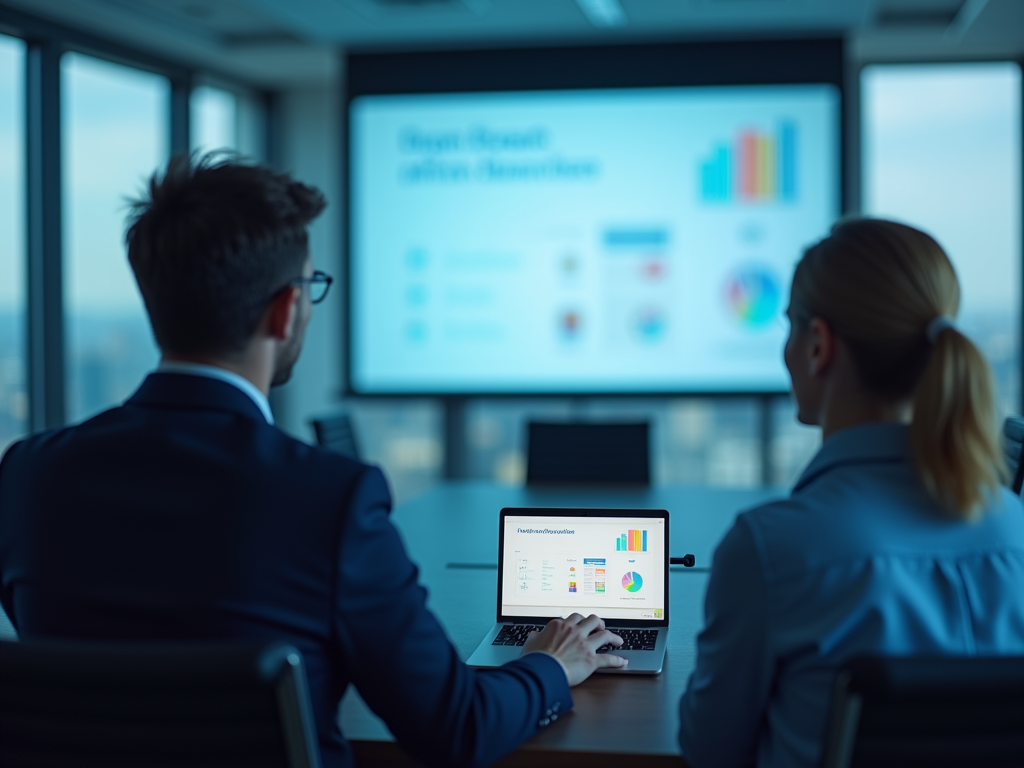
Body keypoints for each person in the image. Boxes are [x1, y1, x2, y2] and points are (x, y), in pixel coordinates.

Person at [0, 153, 627, 768]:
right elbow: (457, 729)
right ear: (286, 309)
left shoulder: (27, 475)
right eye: (311, 286)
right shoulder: (328, 499)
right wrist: (551, 664)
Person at [678, 218, 1024, 768]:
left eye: (789, 327)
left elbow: (709, 751)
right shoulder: (1015, 527)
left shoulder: (770, 550)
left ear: (818, 345)